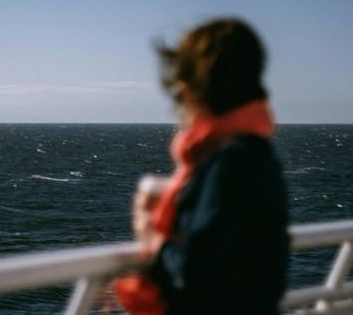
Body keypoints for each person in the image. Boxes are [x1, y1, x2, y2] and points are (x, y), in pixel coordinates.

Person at [105, 18, 290, 315]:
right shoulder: (255, 154)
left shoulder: (233, 161)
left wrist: (151, 233)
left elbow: (196, 270)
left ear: (196, 84)